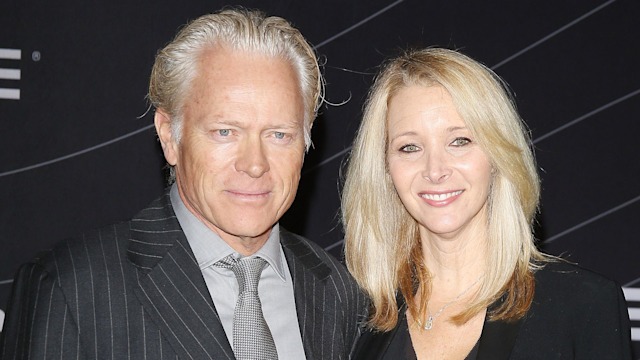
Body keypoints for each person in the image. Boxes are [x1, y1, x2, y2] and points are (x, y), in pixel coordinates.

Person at [0, 8, 367, 360]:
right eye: (225, 132)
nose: (255, 164)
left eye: (279, 135)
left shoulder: (341, 295)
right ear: (169, 137)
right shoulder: (70, 288)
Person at [342, 48, 632, 359]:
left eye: (460, 141)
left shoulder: (583, 306)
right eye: (409, 147)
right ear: (385, 168)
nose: (435, 170)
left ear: (496, 155)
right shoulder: (355, 317)